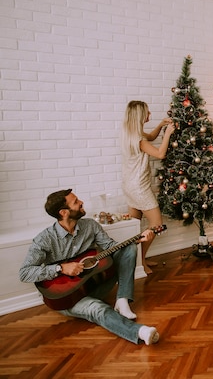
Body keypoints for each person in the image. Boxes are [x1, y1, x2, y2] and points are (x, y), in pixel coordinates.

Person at [19, 189, 160, 345]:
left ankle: (122, 300)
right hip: (66, 298)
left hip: (93, 285)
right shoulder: (44, 239)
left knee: (129, 248)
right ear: (64, 212)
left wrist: (138, 240)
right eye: (76, 202)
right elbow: (25, 273)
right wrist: (60, 268)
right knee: (97, 309)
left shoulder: (90, 226)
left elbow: (111, 247)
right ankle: (141, 332)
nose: (81, 202)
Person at [121, 100, 175, 274]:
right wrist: (168, 134)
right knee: (157, 223)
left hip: (129, 186)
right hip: (139, 188)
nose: (150, 114)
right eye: (147, 112)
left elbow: (150, 137)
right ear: (140, 115)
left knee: (134, 227)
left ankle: (137, 260)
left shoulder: (130, 134)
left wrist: (160, 125)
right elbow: (160, 154)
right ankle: (140, 262)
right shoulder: (138, 140)